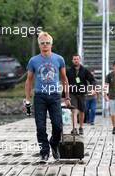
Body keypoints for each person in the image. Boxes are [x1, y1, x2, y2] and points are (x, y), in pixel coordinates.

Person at [24, 31, 71, 163]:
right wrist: (27, 100)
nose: (45, 45)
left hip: (55, 96)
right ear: (39, 45)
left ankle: (54, 144)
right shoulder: (33, 61)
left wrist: (67, 97)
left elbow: (64, 79)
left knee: (58, 126)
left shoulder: (59, 59)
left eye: (47, 43)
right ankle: (44, 152)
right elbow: (28, 81)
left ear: (51, 44)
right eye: (42, 43)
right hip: (39, 97)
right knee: (40, 127)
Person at [66, 54, 96, 135]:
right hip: (72, 93)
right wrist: (66, 96)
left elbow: (92, 80)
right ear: (72, 61)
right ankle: (74, 128)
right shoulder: (68, 71)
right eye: (74, 59)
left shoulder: (85, 70)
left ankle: (81, 127)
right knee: (74, 110)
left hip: (82, 93)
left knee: (82, 111)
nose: (76, 60)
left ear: (80, 60)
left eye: (77, 59)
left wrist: (93, 88)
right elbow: (65, 82)